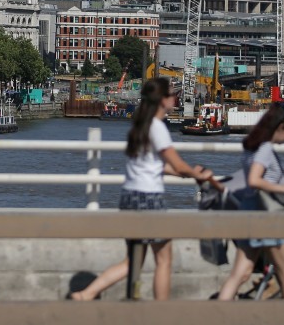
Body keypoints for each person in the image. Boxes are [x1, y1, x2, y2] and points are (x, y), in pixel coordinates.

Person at [70, 78, 218, 301]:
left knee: (133, 261)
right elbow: (176, 163)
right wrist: (196, 174)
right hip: (148, 199)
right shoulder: (158, 127)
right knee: (164, 259)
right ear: (162, 100)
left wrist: (184, 172)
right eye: (171, 95)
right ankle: (159, 312)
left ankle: (86, 294)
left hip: (130, 196)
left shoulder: (141, 125)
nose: (174, 98)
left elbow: (155, 166)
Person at [217, 103, 284, 301]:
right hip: (267, 216)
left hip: (249, 212)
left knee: (240, 274)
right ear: (280, 127)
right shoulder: (264, 149)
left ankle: (215, 315)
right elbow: (254, 180)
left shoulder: (251, 146)